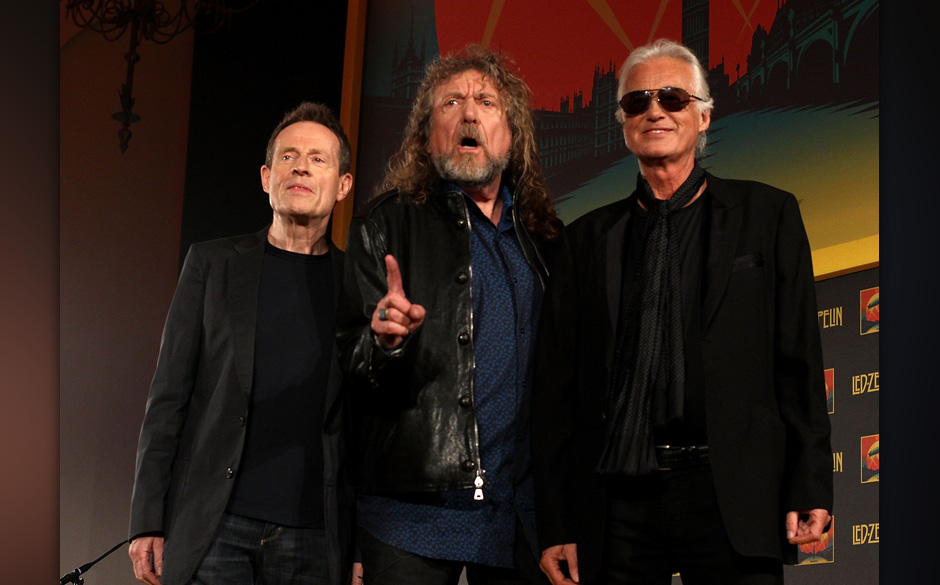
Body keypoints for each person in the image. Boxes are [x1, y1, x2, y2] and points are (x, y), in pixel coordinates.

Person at [532, 39, 833, 585]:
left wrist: (809, 483)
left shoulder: (768, 215)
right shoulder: (582, 242)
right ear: (623, 122)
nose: (654, 111)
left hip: (732, 493)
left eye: (672, 97)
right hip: (616, 499)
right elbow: (556, 393)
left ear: (704, 115)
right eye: (636, 101)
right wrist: (556, 521)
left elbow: (799, 364)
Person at [336, 46, 561, 585]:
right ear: (425, 132)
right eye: (451, 102)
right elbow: (350, 364)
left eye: (486, 101)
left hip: (518, 515)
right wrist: (385, 344)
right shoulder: (386, 225)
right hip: (409, 514)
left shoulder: (546, 240)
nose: (468, 113)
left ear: (512, 133)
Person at [127, 102, 357, 585]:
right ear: (265, 176)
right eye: (289, 156)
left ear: (343, 185)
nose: (300, 166)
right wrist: (148, 518)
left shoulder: (358, 285)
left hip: (315, 535)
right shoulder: (211, 264)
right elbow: (167, 399)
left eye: (318, 159)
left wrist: (360, 545)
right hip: (214, 526)